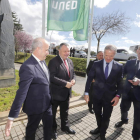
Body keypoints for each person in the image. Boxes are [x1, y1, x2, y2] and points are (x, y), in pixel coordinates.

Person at [5, 38, 53, 140]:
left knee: (49, 129)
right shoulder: (28, 67)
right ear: (37, 49)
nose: (48, 53)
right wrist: (11, 117)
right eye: (46, 50)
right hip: (35, 108)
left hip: (48, 105)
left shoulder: (43, 61)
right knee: (31, 131)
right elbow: (22, 92)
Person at [84, 45, 123, 140]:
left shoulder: (119, 66)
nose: (108, 58)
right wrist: (86, 93)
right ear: (104, 53)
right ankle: (99, 128)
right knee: (97, 113)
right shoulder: (96, 64)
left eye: (111, 56)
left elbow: (120, 83)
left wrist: (118, 96)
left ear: (115, 55)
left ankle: (102, 134)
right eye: (106, 55)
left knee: (106, 116)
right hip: (96, 95)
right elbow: (89, 78)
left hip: (110, 97)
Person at [48, 43, 76, 139]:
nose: (67, 53)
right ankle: (53, 130)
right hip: (55, 94)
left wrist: (73, 80)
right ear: (59, 51)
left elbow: (73, 73)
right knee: (53, 114)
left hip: (66, 93)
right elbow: (51, 77)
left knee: (65, 112)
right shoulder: (53, 61)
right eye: (65, 51)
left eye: (68, 51)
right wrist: (65, 83)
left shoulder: (70, 61)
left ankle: (65, 127)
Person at [115, 46, 140, 140]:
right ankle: (124, 120)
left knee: (138, 116)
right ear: (137, 51)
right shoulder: (130, 62)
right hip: (127, 92)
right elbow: (122, 74)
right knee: (123, 108)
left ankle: (136, 135)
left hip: (139, 94)